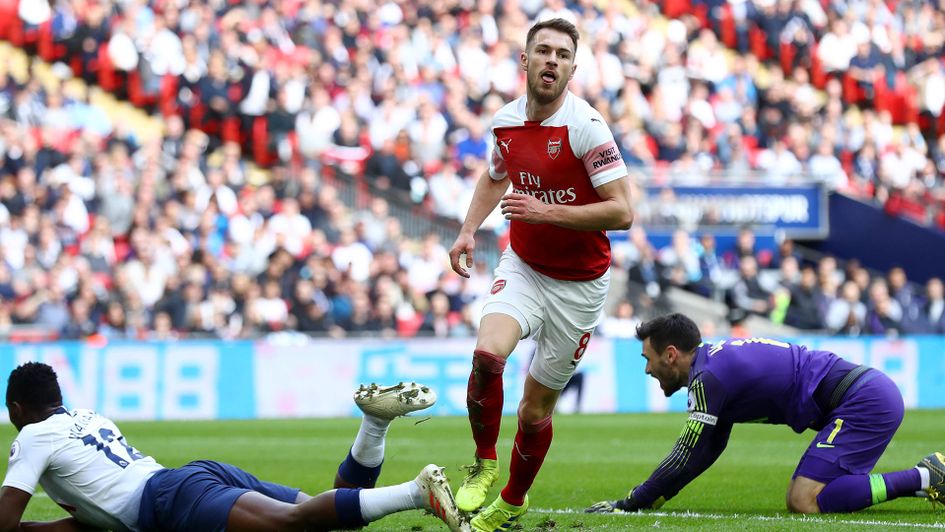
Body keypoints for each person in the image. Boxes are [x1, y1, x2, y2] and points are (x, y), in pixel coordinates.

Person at [446, 17, 634, 531]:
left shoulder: (587, 127)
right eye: (543, 51)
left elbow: (622, 212)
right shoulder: (506, 121)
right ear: (525, 61)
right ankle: (485, 463)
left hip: (579, 287)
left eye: (563, 55)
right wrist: (467, 230)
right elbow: (495, 175)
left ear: (573, 68)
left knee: (533, 412)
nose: (552, 60)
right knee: (487, 356)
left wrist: (546, 212)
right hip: (525, 266)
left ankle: (512, 500)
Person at [0, 362, 468, 532]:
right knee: (321, 517)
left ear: (18, 408)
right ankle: (373, 426)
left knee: (293, 522)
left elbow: (6, 520)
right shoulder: (89, 418)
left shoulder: (32, 437)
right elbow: (95, 516)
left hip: (170, 500)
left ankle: (416, 491)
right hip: (188, 480)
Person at [585, 313, 945, 516]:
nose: (647, 370)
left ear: (671, 354)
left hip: (863, 400)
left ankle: (923, 477)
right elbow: (705, 451)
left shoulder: (709, 378)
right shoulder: (715, 367)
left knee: (805, 500)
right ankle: (924, 481)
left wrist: (630, 503)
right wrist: (651, 501)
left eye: (648, 359)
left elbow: (685, 453)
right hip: (865, 395)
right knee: (811, 496)